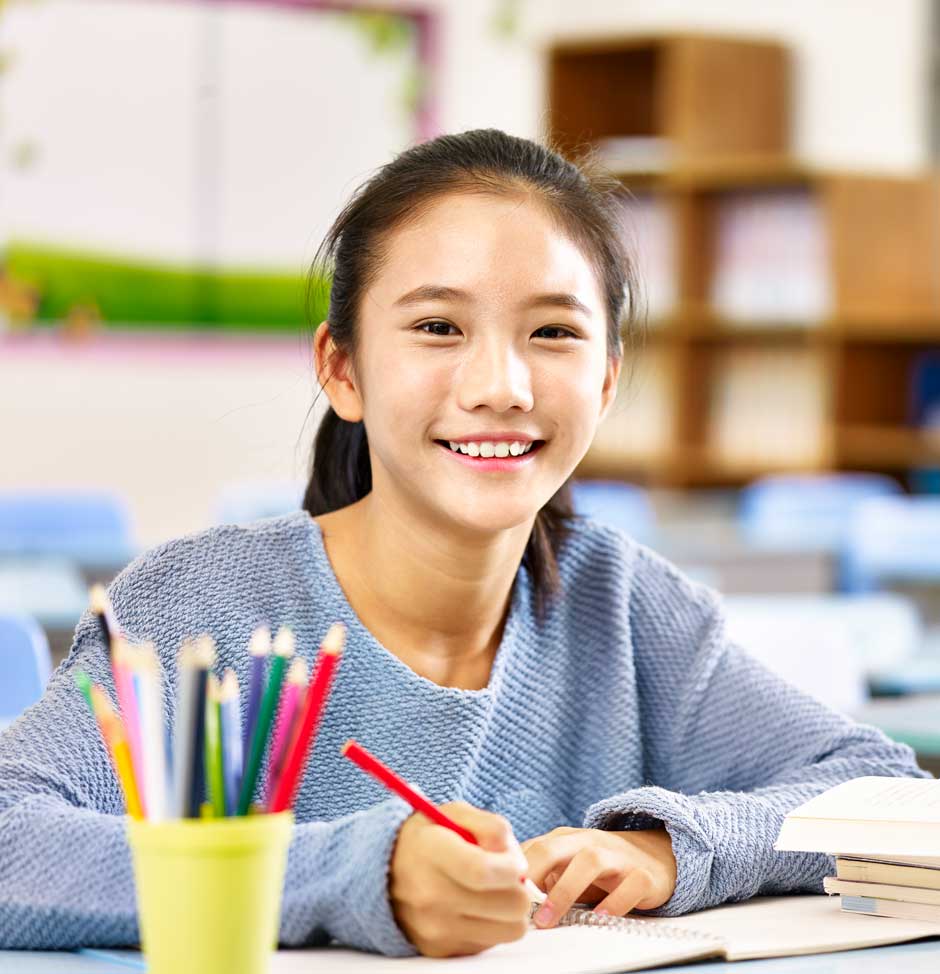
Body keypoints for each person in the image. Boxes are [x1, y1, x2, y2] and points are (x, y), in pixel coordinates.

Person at [0, 129, 926, 958]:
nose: (501, 386)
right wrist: (362, 876)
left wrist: (671, 850)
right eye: (438, 327)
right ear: (342, 369)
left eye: (553, 332)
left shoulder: (627, 606)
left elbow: (886, 793)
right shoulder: (203, 608)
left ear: (606, 382)